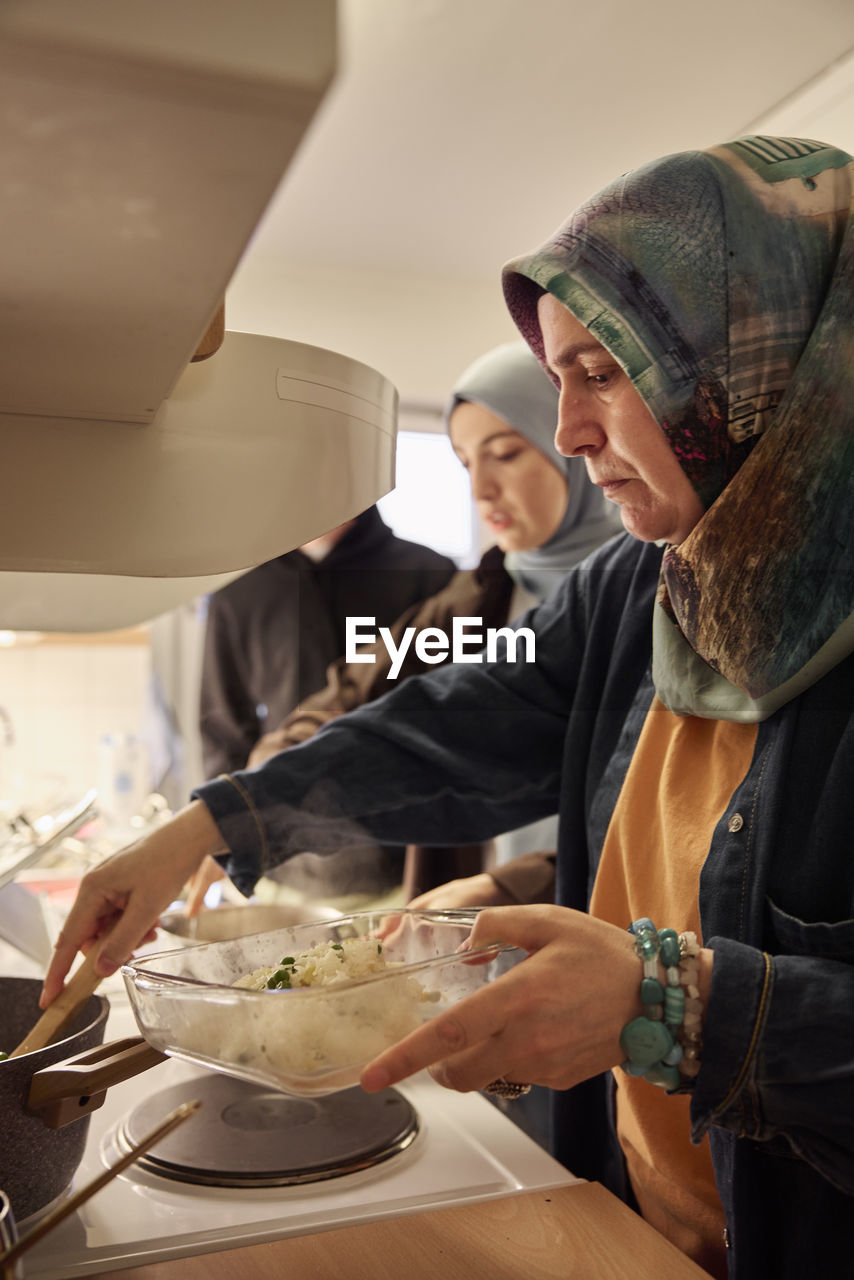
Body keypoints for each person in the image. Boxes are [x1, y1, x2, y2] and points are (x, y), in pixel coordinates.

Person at [44, 136, 854, 1279]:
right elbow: (473, 711)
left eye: (604, 371)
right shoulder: (646, 583)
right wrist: (214, 819)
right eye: (556, 377)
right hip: (648, 1217)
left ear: (756, 358)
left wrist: (678, 1010)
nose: (572, 434)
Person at [237, 340, 619, 902]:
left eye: (506, 453)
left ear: (568, 440)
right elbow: (358, 690)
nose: (480, 489)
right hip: (488, 917)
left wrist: (510, 885)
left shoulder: (646, 594)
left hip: (607, 914)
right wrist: (246, 795)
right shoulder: (481, 594)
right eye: (467, 463)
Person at [199, 505, 456, 777]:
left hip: (406, 794)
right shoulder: (240, 592)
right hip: (285, 801)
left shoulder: (430, 575)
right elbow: (223, 731)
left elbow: (454, 711)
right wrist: (234, 811)